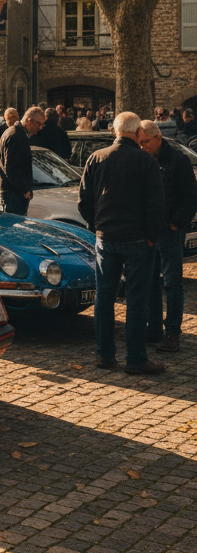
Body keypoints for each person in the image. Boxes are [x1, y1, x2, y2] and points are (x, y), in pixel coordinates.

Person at [79, 112, 166, 374]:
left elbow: (84, 201)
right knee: (136, 300)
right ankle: (136, 359)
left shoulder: (97, 157)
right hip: (138, 238)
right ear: (138, 132)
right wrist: (152, 236)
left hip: (107, 237)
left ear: (114, 131)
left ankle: (105, 355)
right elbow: (156, 204)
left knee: (104, 298)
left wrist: (97, 226)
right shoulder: (145, 160)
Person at [138, 120, 197, 353]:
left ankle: (172, 331)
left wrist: (175, 222)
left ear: (157, 138)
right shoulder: (144, 161)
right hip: (150, 232)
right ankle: (153, 327)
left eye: (145, 142)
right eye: (139, 142)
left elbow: (190, 196)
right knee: (151, 282)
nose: (142, 146)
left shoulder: (178, 161)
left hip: (170, 231)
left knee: (172, 283)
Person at [0, 106, 44, 215]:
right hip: (13, 193)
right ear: (29, 121)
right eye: (39, 124)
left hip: (12, 192)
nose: (40, 128)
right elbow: (11, 168)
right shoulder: (16, 136)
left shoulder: (15, 133)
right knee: (14, 227)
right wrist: (24, 190)